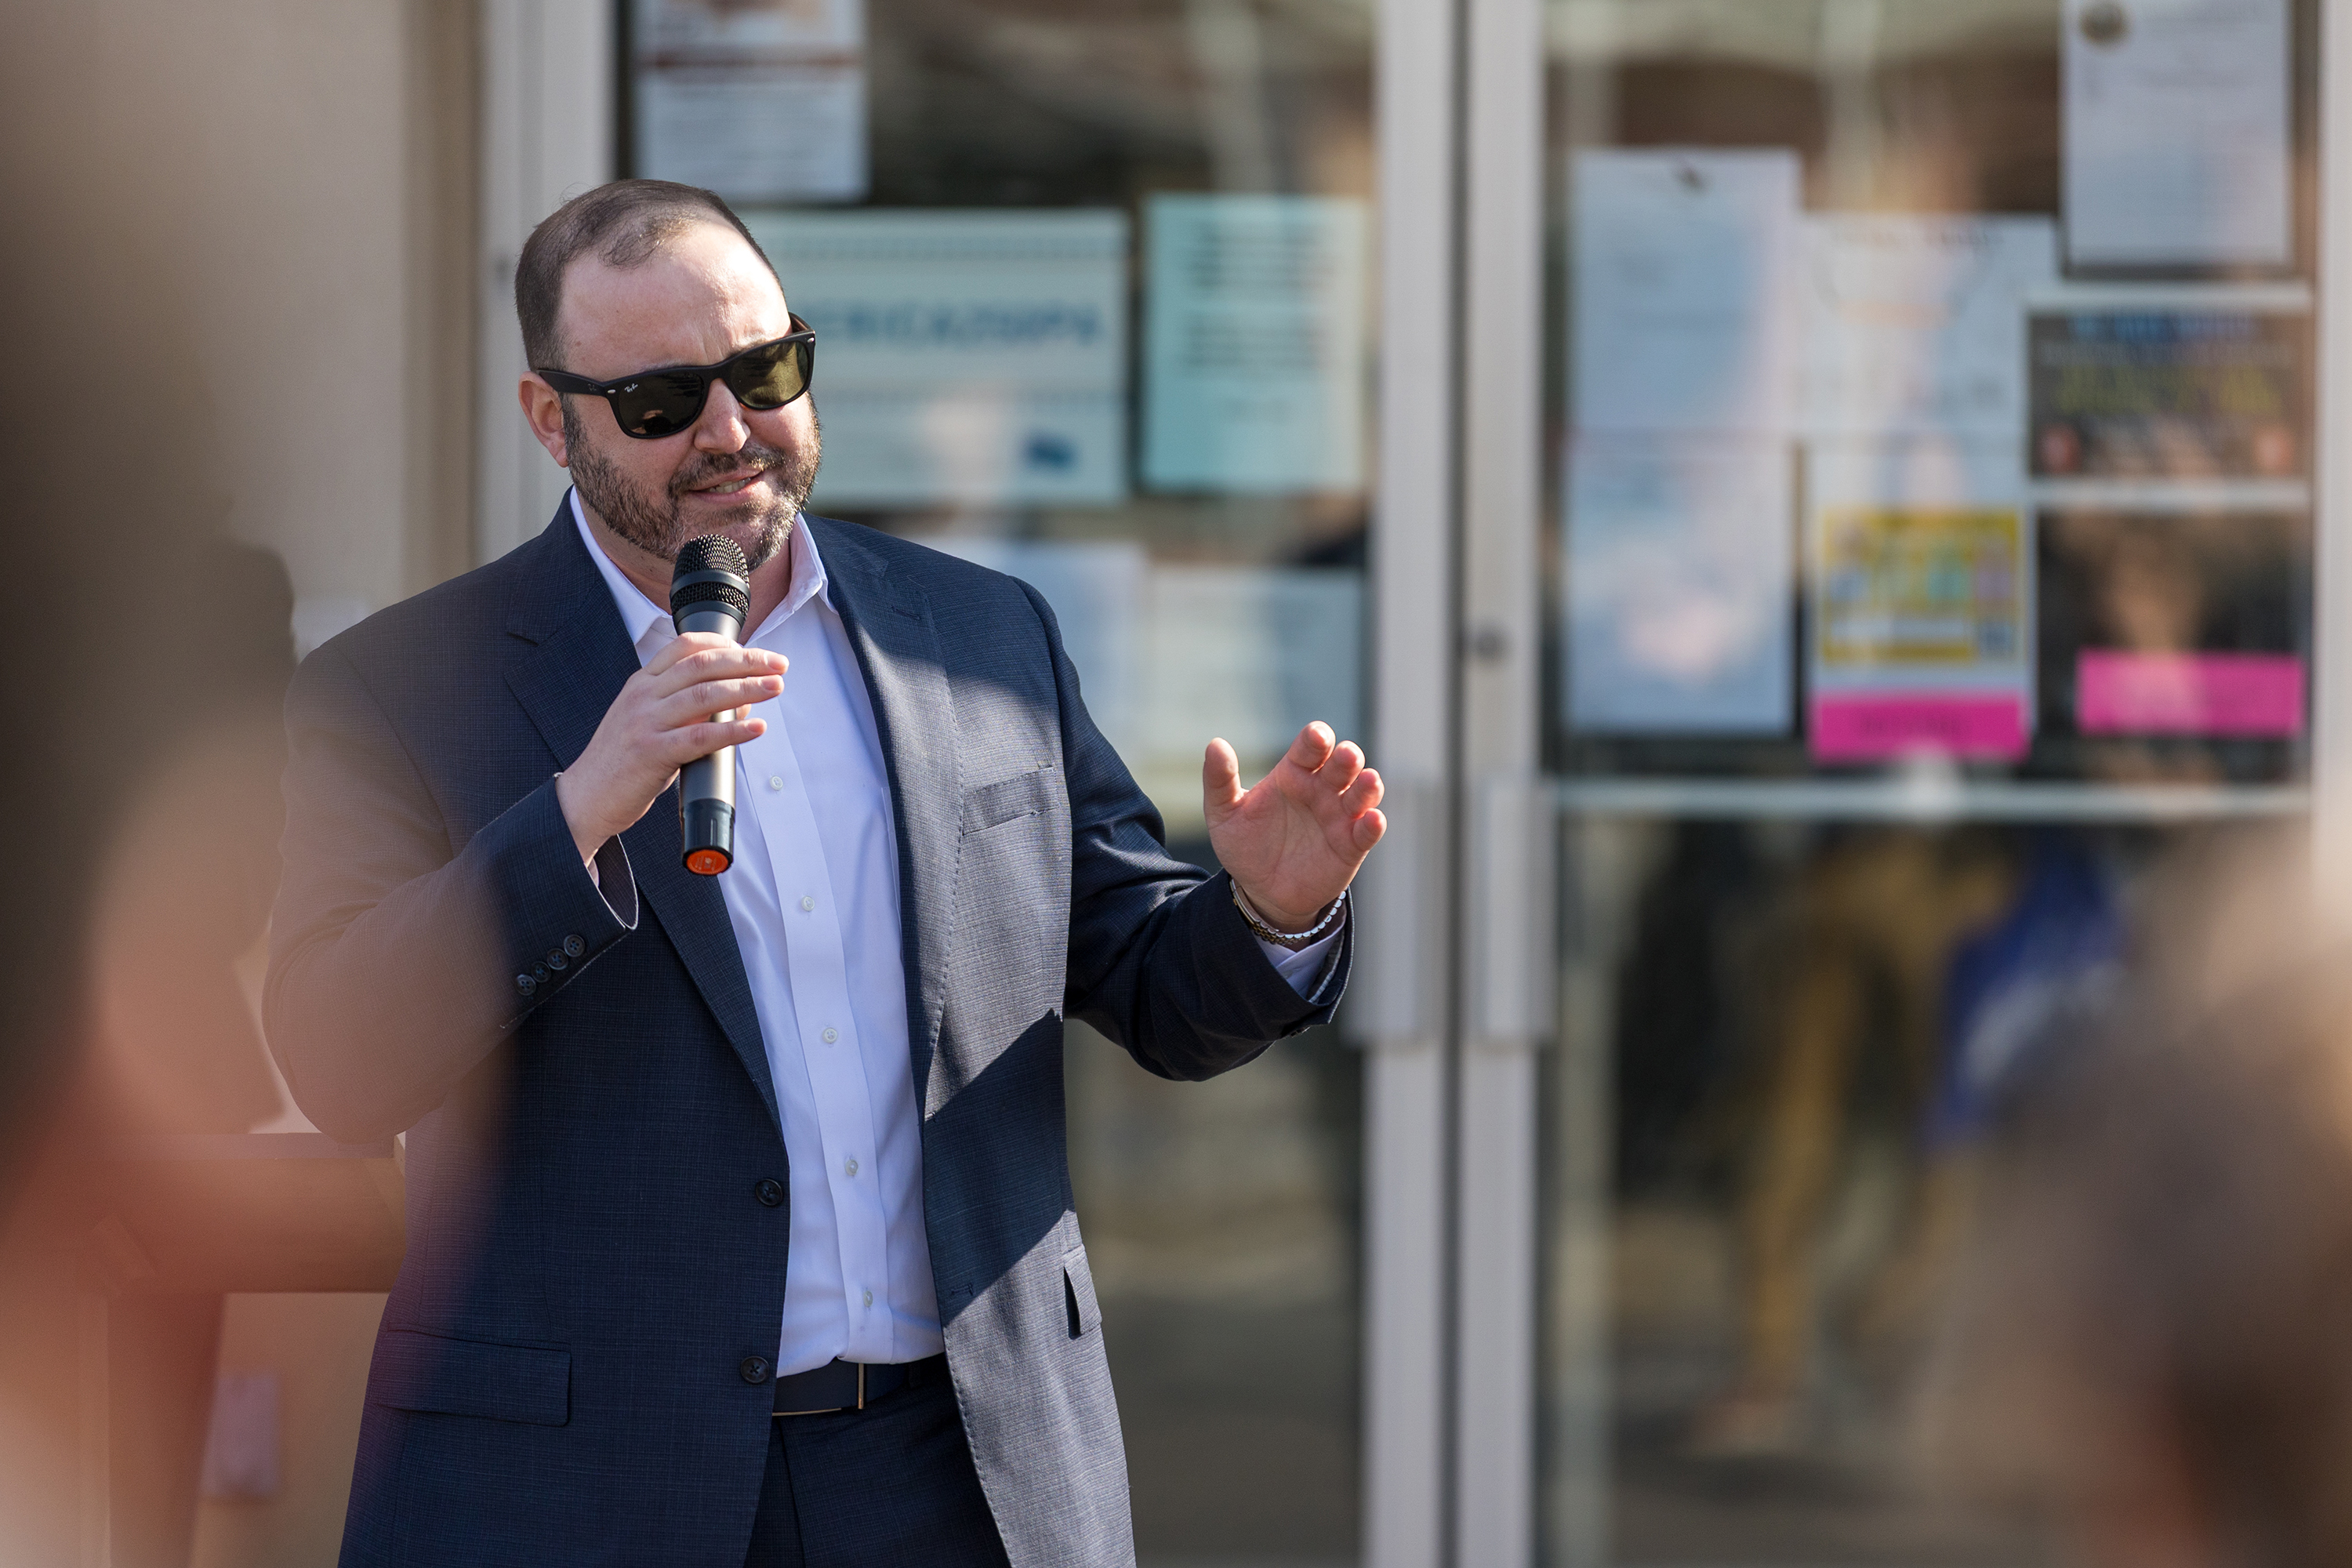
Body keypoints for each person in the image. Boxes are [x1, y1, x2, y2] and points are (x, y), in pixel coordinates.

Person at [264, 178, 1384, 1568]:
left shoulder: (975, 633)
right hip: (581, 1482)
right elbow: (342, 1057)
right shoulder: (400, 688)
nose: (730, 432)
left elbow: (1151, 981)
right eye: (664, 399)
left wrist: (1273, 911)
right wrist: (582, 810)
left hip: (959, 1470)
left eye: (765, 371)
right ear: (553, 420)